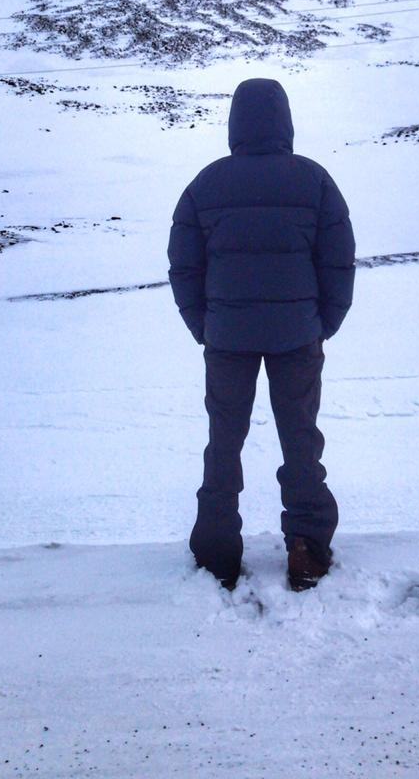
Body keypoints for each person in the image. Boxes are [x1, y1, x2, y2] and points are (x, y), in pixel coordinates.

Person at [167, 77, 355, 591]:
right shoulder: (314, 180)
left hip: (227, 338)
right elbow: (338, 260)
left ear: (235, 124)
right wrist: (324, 322)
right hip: (297, 336)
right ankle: (306, 548)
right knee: (300, 441)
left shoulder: (205, 184)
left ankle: (217, 554)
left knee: (223, 444)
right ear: (285, 121)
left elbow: (183, 265)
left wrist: (202, 323)